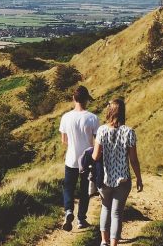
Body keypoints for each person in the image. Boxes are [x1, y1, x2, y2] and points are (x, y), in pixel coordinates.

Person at [93, 98, 142, 246]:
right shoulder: (129, 132)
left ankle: (103, 241)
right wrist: (139, 178)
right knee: (116, 213)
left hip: (105, 179)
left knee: (105, 208)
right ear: (123, 112)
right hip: (123, 179)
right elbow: (133, 159)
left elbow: (95, 156)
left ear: (109, 111)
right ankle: (114, 243)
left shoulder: (101, 130)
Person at [59, 85, 98, 231]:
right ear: (87, 99)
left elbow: (64, 140)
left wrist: (73, 143)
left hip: (71, 158)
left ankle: (69, 211)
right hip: (87, 160)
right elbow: (97, 142)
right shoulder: (93, 118)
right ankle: (81, 219)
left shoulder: (66, 117)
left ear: (73, 98)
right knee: (84, 190)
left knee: (68, 187)